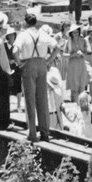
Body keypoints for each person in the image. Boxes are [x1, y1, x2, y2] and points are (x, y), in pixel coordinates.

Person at [13, 11, 55, 142]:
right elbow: (58, 47)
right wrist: (48, 61)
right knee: (42, 99)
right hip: (42, 65)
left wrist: (19, 62)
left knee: (30, 100)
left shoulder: (23, 35)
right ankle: (45, 132)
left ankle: (32, 133)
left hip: (28, 65)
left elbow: (14, 51)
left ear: (25, 22)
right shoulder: (43, 33)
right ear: (36, 22)